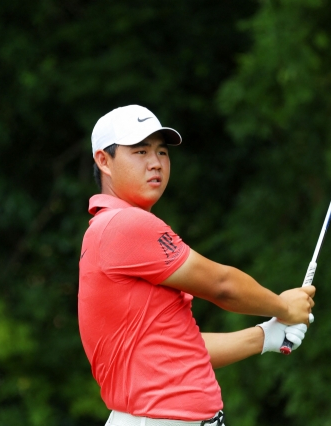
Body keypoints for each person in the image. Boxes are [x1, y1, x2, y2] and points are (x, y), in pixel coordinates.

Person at [78, 105, 316, 426]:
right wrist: (284, 306)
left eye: (162, 152)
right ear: (103, 161)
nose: (155, 163)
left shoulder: (112, 229)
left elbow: (178, 347)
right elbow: (222, 286)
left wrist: (264, 336)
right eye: (140, 151)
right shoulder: (124, 224)